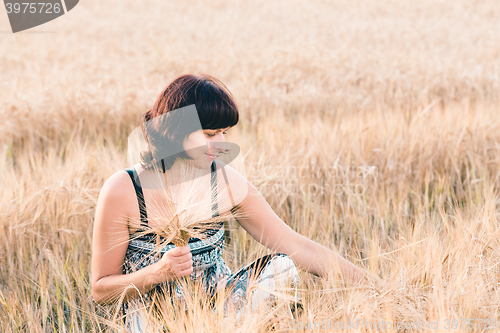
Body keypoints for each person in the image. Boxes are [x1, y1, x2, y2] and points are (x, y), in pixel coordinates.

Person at [91, 74, 372, 332]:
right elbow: (101, 290)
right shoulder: (124, 190)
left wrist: (376, 286)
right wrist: (156, 273)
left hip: (223, 316)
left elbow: (298, 246)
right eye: (211, 134)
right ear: (175, 132)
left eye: (225, 132)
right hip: (153, 319)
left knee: (282, 267)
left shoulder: (225, 182)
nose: (222, 143)